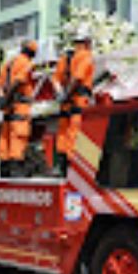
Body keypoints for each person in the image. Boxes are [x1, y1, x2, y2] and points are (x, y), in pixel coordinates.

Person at [52, 31, 94, 176]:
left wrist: (61, 94)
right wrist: (67, 94)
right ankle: (70, 169)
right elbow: (77, 78)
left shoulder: (66, 58)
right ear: (87, 42)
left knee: (62, 134)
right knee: (74, 134)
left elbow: (55, 79)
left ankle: (60, 167)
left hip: (66, 104)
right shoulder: (85, 56)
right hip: (78, 100)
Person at [0, 40, 37, 178]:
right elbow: (18, 82)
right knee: (17, 140)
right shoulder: (26, 64)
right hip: (19, 107)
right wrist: (8, 98)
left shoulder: (9, 63)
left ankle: (5, 171)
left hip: (8, 110)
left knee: (5, 140)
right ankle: (15, 172)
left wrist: (3, 100)